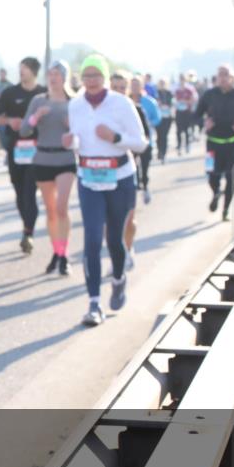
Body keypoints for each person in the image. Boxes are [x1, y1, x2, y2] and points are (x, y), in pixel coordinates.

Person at [66, 54, 147, 327]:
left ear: (105, 78)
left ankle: (119, 279)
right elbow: (79, 141)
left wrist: (115, 138)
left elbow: (141, 143)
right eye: (86, 76)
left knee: (114, 238)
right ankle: (93, 304)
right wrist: (71, 142)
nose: (91, 81)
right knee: (91, 239)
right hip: (89, 178)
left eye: (96, 76)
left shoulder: (121, 104)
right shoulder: (75, 105)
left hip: (119, 177)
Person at [21, 60, 76, 276]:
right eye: (50, 74)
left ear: (64, 77)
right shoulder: (38, 100)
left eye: (57, 74)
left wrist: (72, 126)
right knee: (51, 210)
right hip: (43, 158)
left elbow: (84, 132)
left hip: (65, 159)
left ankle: (65, 255)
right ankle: (57, 252)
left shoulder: (74, 102)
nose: (53, 78)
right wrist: (36, 118)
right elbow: (24, 130)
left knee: (62, 207)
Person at [0, 57, 46, 254]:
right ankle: (27, 225)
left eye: (25, 68)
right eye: (20, 68)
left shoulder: (43, 93)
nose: (21, 71)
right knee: (19, 192)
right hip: (16, 149)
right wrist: (9, 121)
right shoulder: (10, 93)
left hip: (38, 151)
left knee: (29, 191)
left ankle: (28, 233)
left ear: (34, 71)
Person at [195, 65, 234, 221]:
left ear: (232, 77)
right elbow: (196, 115)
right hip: (212, 143)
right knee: (211, 175)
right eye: (220, 74)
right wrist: (203, 124)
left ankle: (226, 210)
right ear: (216, 77)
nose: (222, 77)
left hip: (233, 143)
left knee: (231, 177)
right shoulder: (209, 95)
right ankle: (216, 192)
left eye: (226, 74)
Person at [110, 72, 152, 271]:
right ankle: (117, 257)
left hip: (128, 169)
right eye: (114, 88)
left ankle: (128, 248)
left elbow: (144, 141)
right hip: (105, 173)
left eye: (122, 88)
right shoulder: (100, 110)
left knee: (128, 218)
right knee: (109, 221)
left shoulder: (135, 110)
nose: (118, 92)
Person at [130, 75, 160, 204]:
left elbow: (157, 118)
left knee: (145, 166)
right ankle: (135, 188)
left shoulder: (149, 102)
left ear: (142, 86)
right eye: (132, 85)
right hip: (130, 142)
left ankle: (145, 186)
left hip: (146, 140)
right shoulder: (126, 101)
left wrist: (148, 123)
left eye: (137, 85)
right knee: (133, 166)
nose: (134, 88)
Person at [174, 73, 198, 154]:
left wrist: (185, 101)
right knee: (178, 130)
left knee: (187, 129)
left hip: (187, 112)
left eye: (183, 79)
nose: (181, 80)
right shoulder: (177, 90)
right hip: (179, 112)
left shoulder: (189, 89)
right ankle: (179, 146)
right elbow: (174, 100)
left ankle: (187, 145)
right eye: (180, 79)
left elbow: (193, 100)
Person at [155, 78, 174, 164]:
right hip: (158, 117)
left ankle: (164, 153)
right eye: (161, 83)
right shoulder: (156, 93)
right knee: (159, 135)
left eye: (163, 83)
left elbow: (172, 103)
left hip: (167, 117)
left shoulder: (169, 93)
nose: (162, 84)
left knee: (164, 135)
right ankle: (159, 151)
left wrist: (166, 105)